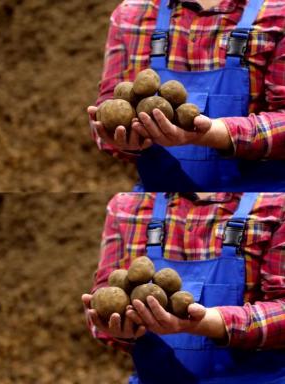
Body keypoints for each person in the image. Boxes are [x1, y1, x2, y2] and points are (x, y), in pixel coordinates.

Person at [83, 192, 285, 383]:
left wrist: (211, 323)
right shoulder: (124, 207)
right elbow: (101, 298)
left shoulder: (276, 205)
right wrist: (120, 329)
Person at [88, 0, 285, 191]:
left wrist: (216, 133)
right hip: (160, 193)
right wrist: (123, 139)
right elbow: (108, 108)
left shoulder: (277, 13)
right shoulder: (129, 16)